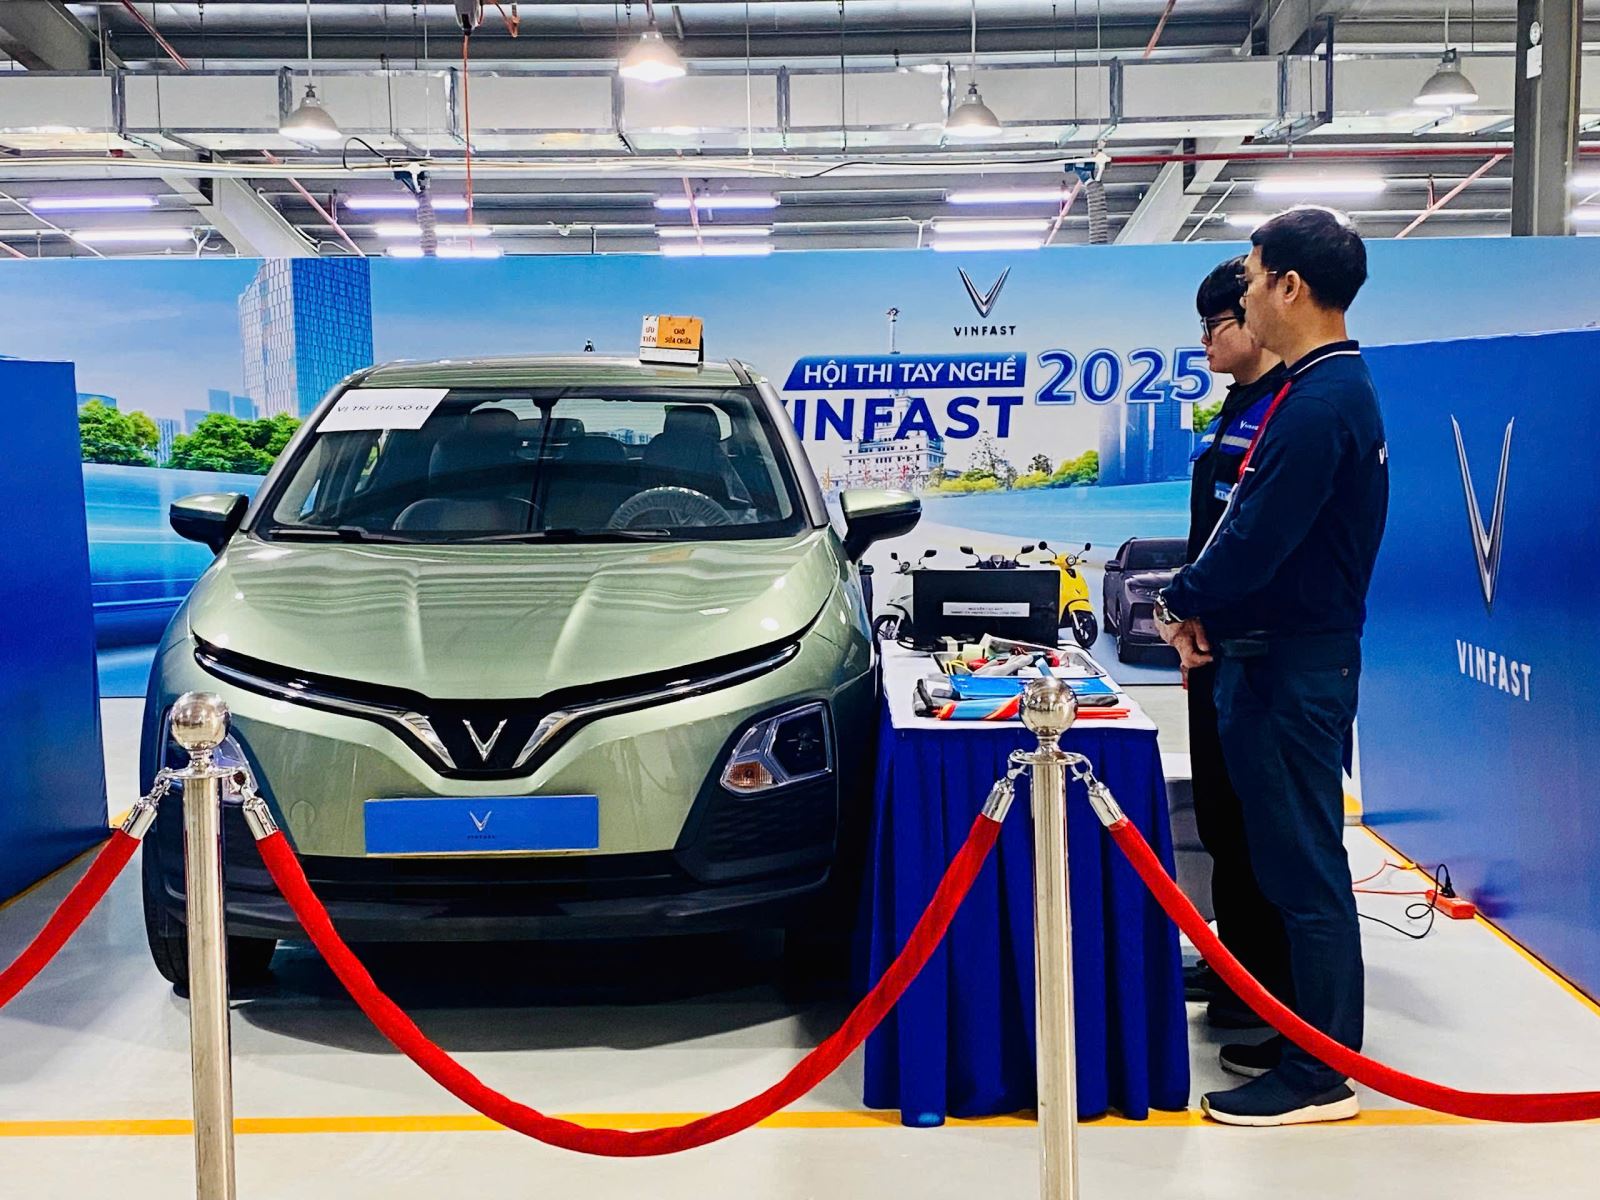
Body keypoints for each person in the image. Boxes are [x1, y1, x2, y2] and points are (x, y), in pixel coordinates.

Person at [1154, 206, 1388, 1127]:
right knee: (1280, 864)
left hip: (1294, 670)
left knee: (1304, 871)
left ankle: (1320, 1073)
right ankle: (1296, 1033)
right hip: (1270, 660)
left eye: (1251, 278)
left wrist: (1178, 602)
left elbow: (1254, 542)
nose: (1244, 295)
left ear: (1291, 286)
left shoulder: (1322, 403)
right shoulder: (1310, 390)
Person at [1183, 258, 1292, 1033]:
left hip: (1261, 655)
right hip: (1211, 643)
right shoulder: (1236, 407)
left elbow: (1257, 545)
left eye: (1215, 324)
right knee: (1222, 820)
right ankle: (1237, 969)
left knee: (1261, 831)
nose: (1205, 341)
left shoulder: (1291, 411)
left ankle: (1269, 998)